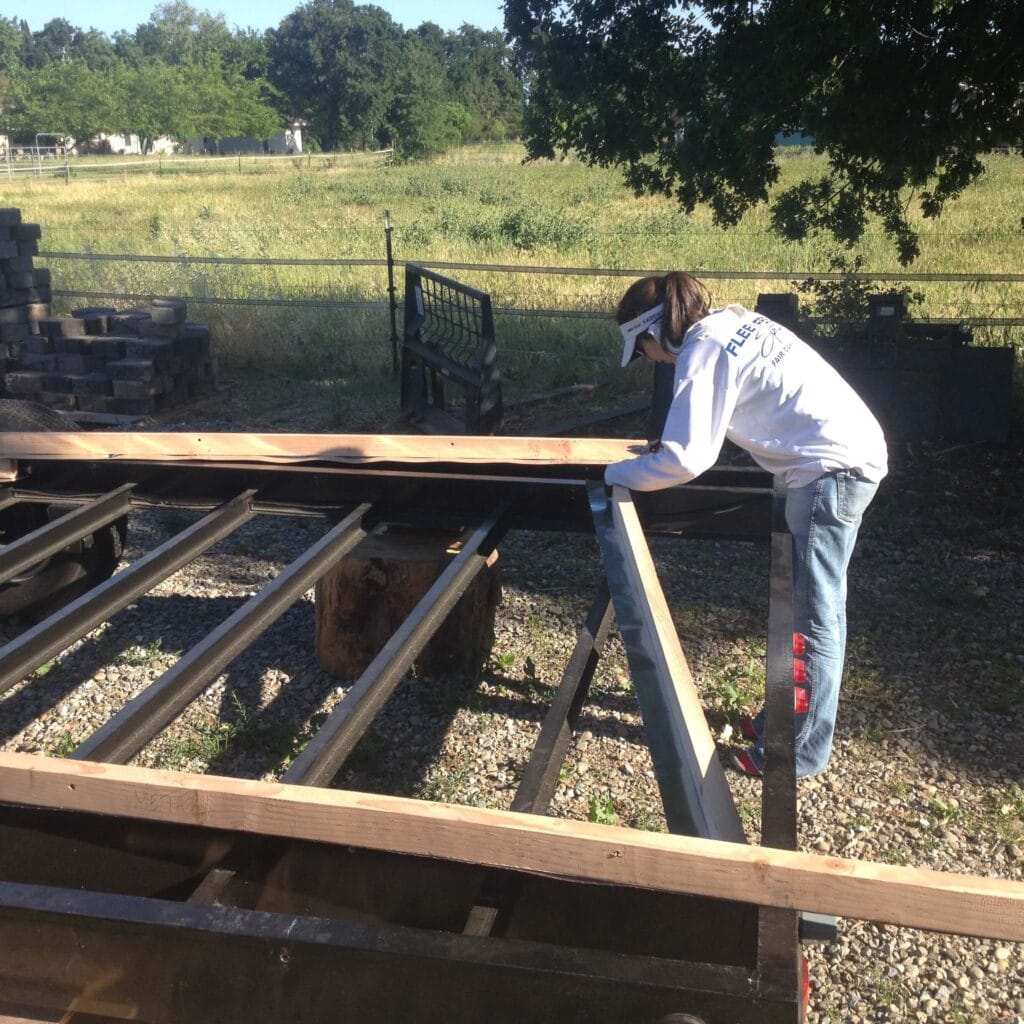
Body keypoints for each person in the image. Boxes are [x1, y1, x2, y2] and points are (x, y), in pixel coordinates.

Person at [605, 271, 887, 779]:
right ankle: (782, 721)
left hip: (829, 472)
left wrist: (614, 474)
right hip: (839, 460)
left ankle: (797, 752)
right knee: (813, 609)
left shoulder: (704, 349)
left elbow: (687, 458)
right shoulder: (731, 324)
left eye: (642, 349)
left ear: (653, 329)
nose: (649, 359)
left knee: (814, 616)